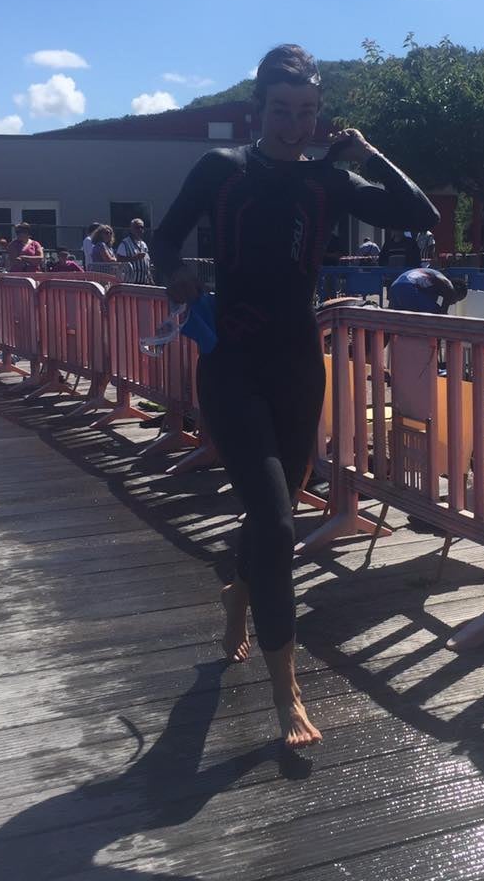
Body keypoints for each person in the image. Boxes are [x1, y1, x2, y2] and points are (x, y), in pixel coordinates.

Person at [149, 43, 439, 748]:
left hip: (298, 366)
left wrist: (370, 155)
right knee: (278, 522)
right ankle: (288, 691)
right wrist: (176, 273)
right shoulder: (223, 168)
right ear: (258, 111)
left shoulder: (328, 180)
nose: (294, 125)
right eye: (282, 111)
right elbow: (165, 239)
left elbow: (421, 215)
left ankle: (239, 593)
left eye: (307, 112)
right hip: (232, 364)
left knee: (272, 511)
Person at [388, 267, 467, 314]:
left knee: (392, 322)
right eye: (457, 299)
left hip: (395, 285)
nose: (454, 303)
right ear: (456, 291)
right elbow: (442, 316)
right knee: (435, 313)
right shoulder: (448, 284)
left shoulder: (433, 287)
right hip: (408, 286)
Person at [116, 218, 152, 283]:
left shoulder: (144, 244)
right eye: (137, 227)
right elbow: (119, 260)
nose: (140, 229)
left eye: (142, 227)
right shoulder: (125, 244)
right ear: (131, 229)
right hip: (130, 282)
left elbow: (147, 264)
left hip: (143, 282)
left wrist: (150, 279)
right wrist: (134, 258)